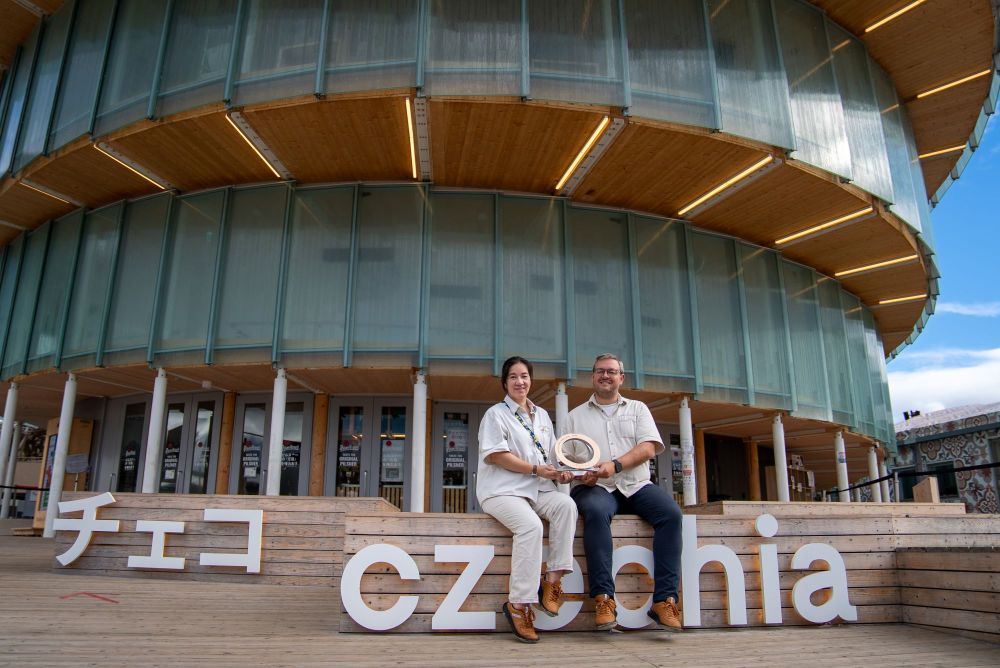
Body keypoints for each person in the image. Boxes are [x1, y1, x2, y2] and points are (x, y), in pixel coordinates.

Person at [566, 353, 684, 632]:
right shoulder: (574, 417)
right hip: (595, 488)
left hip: (636, 485)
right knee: (596, 512)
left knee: (671, 514)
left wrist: (615, 465)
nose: (605, 376)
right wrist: (582, 474)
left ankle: (664, 601)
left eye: (611, 371)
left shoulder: (638, 409)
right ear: (592, 376)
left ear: (621, 377)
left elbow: (649, 448)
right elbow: (567, 460)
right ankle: (603, 599)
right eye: (600, 371)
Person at [478, 356, 578, 643]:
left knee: (567, 506)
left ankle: (552, 583)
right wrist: (536, 469)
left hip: (538, 489)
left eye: (524, 376)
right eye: (513, 377)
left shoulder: (542, 415)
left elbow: (552, 456)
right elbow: (497, 456)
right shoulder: (495, 414)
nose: (520, 382)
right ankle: (519, 605)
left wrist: (562, 472)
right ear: (505, 383)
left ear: (530, 380)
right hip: (502, 491)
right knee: (531, 527)